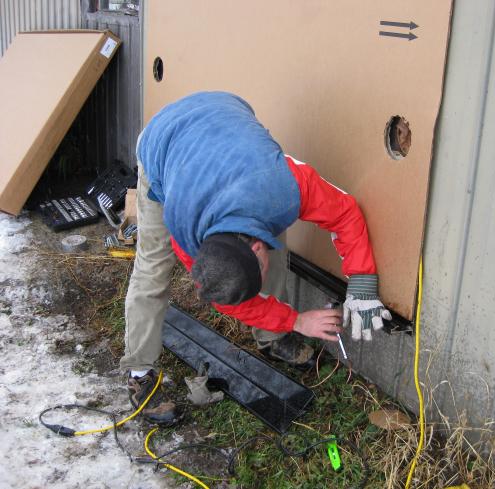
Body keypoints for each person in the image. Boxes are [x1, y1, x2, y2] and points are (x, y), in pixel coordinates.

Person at [120, 92, 391, 425]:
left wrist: (362, 284)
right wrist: (297, 320)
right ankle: (138, 371)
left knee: (274, 238)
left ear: (258, 247)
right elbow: (228, 298)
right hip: (164, 143)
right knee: (152, 271)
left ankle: (272, 338)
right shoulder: (183, 228)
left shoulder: (284, 188)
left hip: (224, 113)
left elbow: (345, 213)